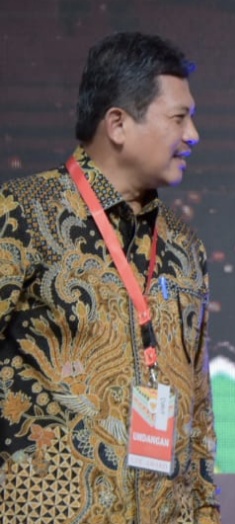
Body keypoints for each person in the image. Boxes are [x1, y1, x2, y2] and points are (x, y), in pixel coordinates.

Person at [0, 32, 219, 522]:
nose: (193, 135)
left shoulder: (185, 246)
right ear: (118, 124)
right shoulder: (21, 216)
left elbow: (200, 413)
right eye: (179, 118)